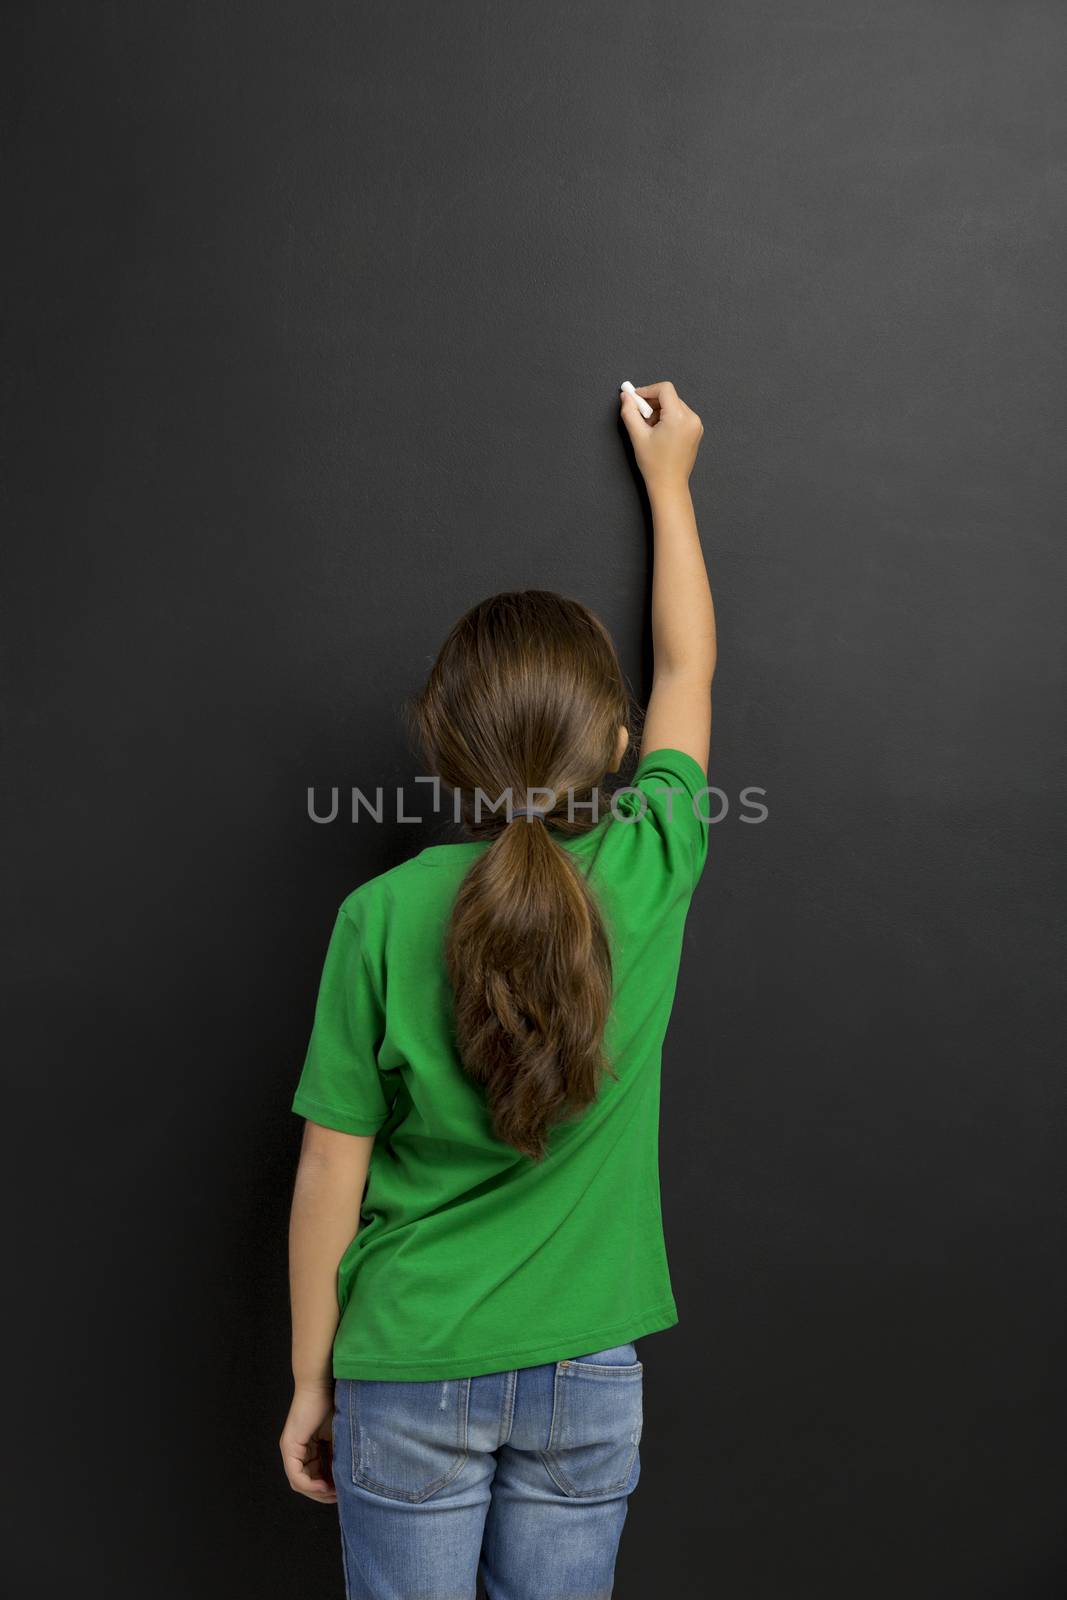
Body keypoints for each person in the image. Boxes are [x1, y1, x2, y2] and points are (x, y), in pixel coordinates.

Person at [280, 379, 716, 1600]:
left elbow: (331, 1168)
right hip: (588, 1372)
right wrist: (670, 483)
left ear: (443, 748)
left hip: (406, 1360)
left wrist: (312, 1379)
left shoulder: (379, 914)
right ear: (619, 744)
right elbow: (688, 663)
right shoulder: (649, 865)